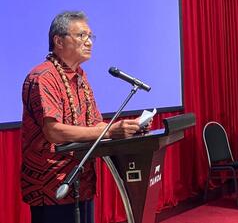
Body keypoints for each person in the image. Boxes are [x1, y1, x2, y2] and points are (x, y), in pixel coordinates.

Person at [21, 11, 146, 223]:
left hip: (82, 181)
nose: (88, 42)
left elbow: (95, 123)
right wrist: (110, 131)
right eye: (81, 36)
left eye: (90, 37)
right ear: (58, 40)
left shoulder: (80, 76)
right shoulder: (43, 77)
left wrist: (125, 128)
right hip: (53, 185)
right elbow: (54, 132)